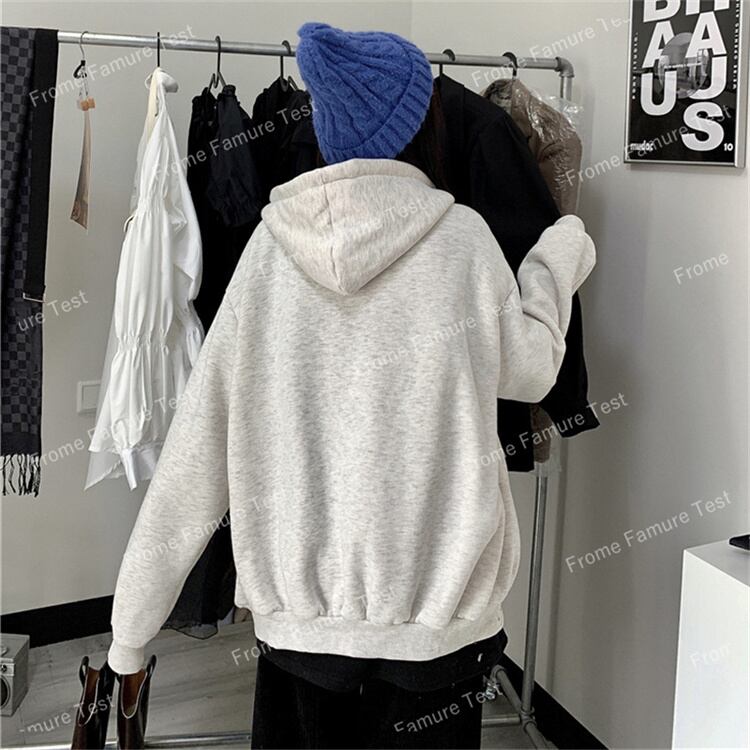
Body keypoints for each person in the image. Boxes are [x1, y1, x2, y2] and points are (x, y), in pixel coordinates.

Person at [106, 22, 595, 749]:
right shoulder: (462, 243)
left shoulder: (268, 256)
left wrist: (129, 633)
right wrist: (556, 260)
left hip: (302, 637)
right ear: (420, 123)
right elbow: (532, 371)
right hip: (438, 636)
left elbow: (196, 451)